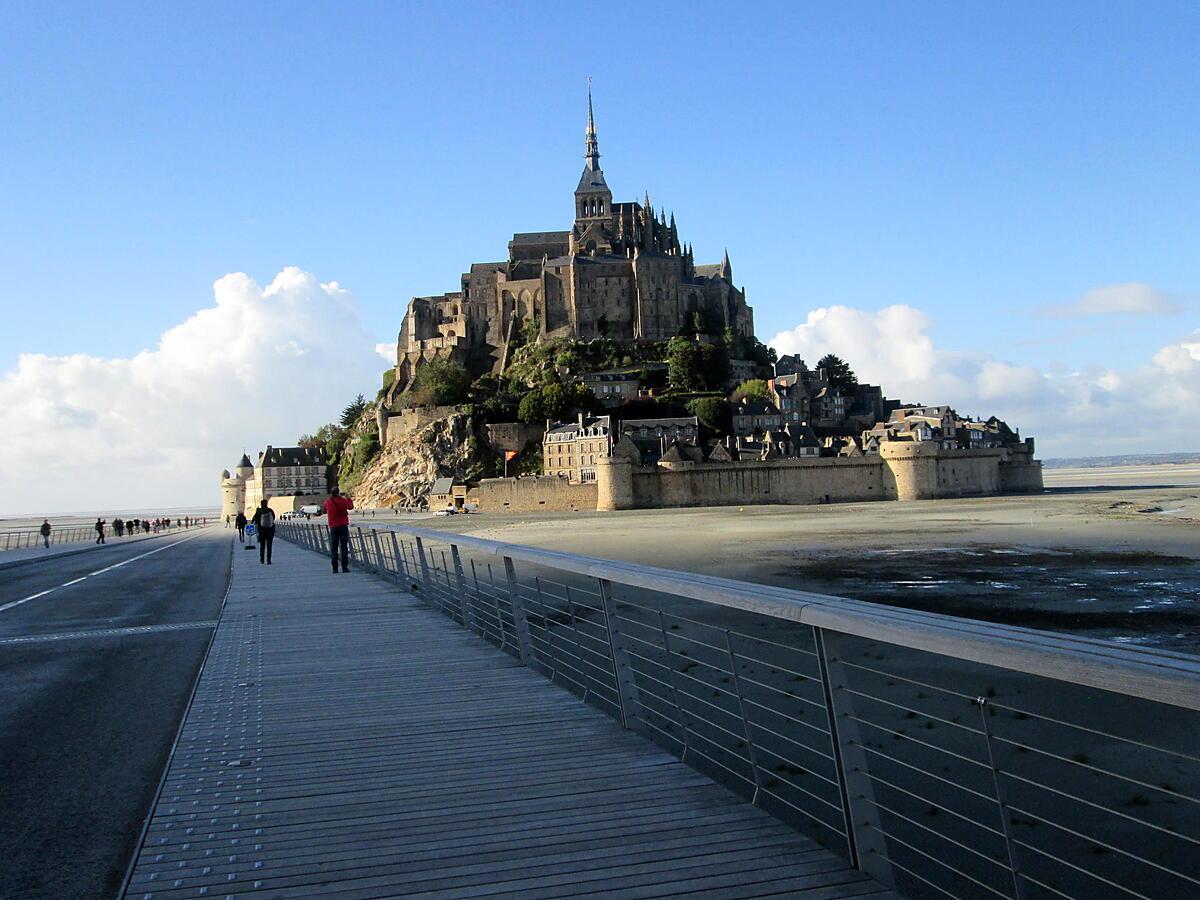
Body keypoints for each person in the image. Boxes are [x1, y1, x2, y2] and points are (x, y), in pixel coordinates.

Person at [324, 487, 354, 574]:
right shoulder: (342, 501)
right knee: (344, 547)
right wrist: (348, 498)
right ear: (338, 493)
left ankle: (335, 568)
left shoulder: (328, 502)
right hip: (342, 526)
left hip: (333, 527)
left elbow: (325, 509)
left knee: (334, 548)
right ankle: (344, 567)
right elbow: (351, 507)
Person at [251, 499, 276, 565]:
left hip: (262, 530)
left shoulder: (259, 511)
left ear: (261, 504)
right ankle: (269, 560)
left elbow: (255, 520)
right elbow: (273, 518)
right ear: (267, 504)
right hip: (270, 530)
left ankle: (262, 559)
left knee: (262, 545)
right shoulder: (270, 510)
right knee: (269, 545)